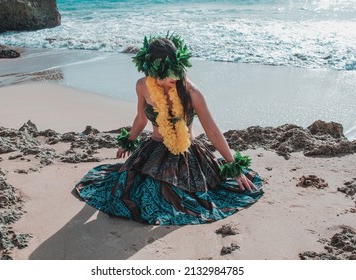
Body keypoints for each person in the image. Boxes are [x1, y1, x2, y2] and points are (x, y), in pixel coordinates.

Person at [74, 33, 263, 225]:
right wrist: (129, 140)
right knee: (131, 189)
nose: (175, 76)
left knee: (173, 196)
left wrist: (234, 168)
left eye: (177, 69)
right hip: (152, 148)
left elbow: (213, 132)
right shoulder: (142, 85)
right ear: (153, 70)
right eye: (168, 71)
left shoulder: (192, 93)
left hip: (186, 153)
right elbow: (141, 118)